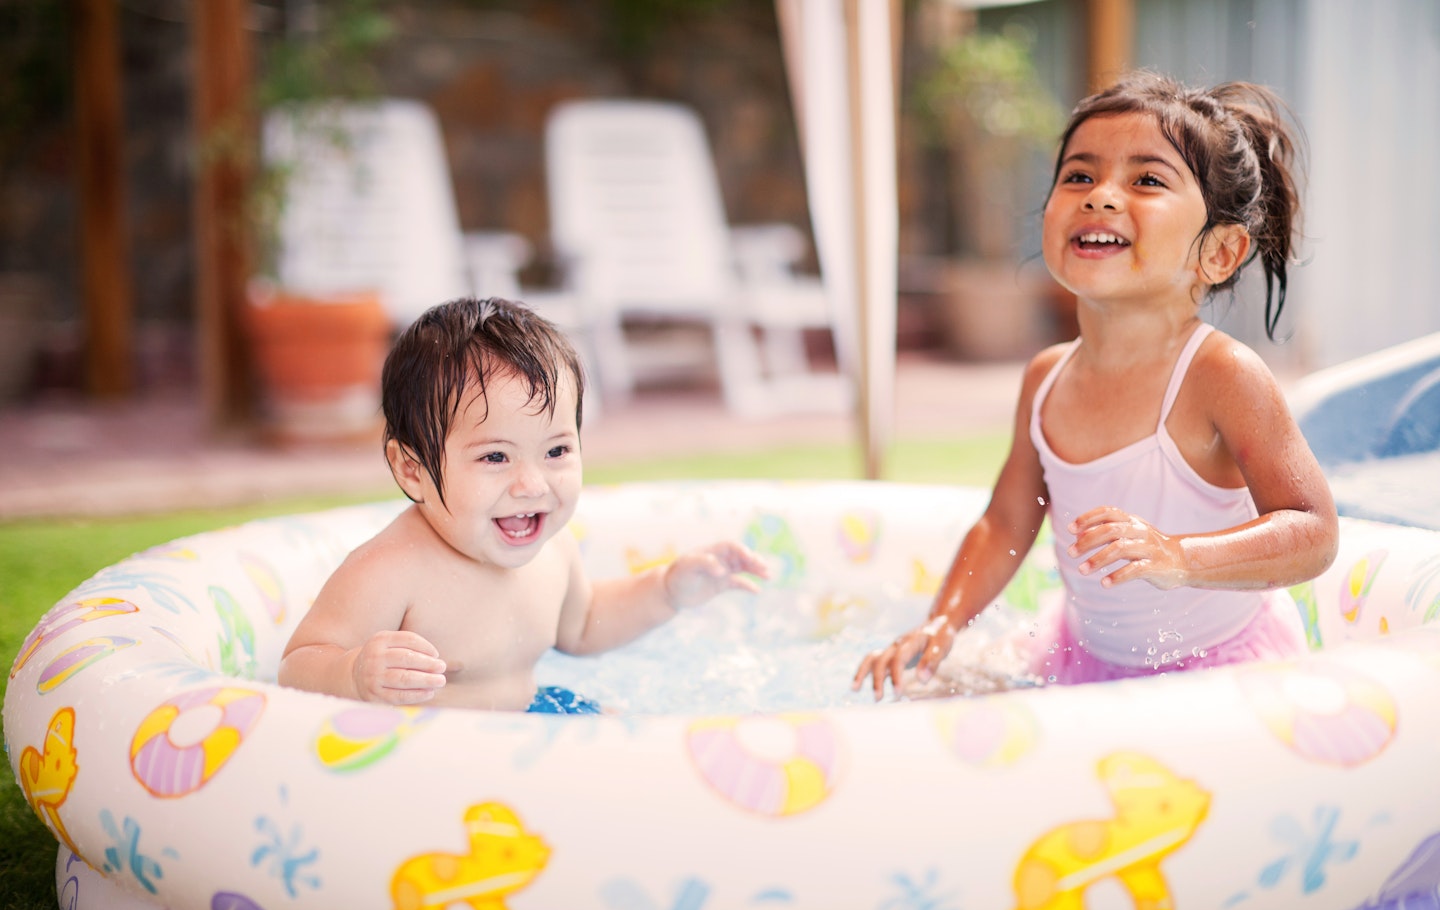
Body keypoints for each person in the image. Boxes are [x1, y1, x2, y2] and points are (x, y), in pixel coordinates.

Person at [854, 70, 1338, 698]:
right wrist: (942, 623)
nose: (1101, 195)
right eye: (1079, 175)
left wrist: (1179, 555)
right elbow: (1006, 523)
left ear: (1218, 253)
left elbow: (1313, 529)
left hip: (1218, 668)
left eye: (1147, 180)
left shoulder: (1219, 374)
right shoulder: (1046, 378)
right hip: (1082, 657)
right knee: (919, 701)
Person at [279, 296, 769, 712]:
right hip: (437, 756)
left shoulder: (551, 552)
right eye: (495, 456)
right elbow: (297, 664)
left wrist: (666, 590)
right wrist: (352, 672)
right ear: (413, 470)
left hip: (537, 715)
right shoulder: (391, 569)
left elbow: (584, 624)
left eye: (556, 451)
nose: (532, 484)